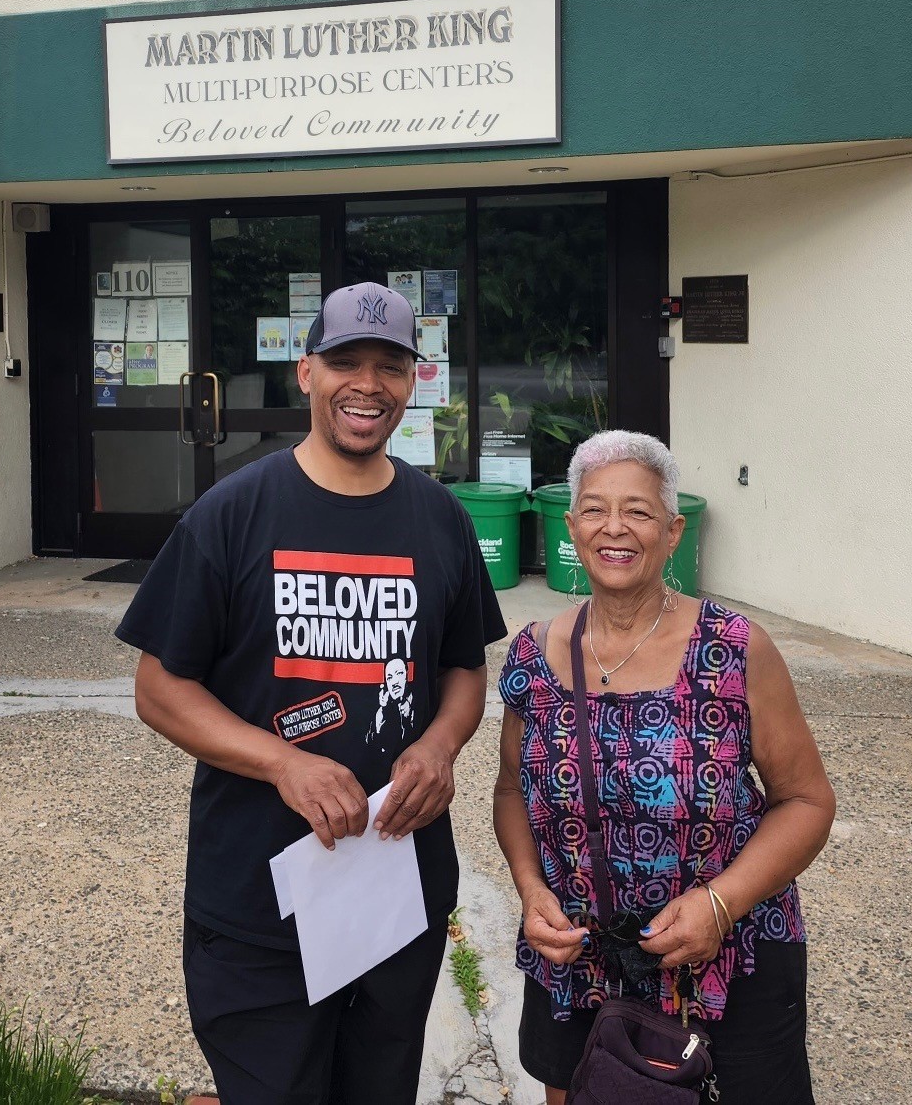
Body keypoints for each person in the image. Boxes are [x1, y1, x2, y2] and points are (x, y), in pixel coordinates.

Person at [119, 280, 506, 1105]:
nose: (367, 385)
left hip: (394, 885)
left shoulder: (437, 518)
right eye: (345, 362)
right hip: (260, 898)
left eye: (389, 366)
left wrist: (439, 745)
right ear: (306, 373)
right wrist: (281, 764)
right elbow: (159, 687)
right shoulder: (233, 514)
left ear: (412, 382)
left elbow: (464, 668)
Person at [493, 429, 835, 1105]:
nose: (613, 528)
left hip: (726, 959)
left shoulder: (734, 649)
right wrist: (531, 890)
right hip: (578, 960)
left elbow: (805, 801)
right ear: (570, 526)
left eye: (638, 511)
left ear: (673, 531)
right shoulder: (532, 656)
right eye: (593, 509)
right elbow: (511, 788)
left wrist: (720, 903)